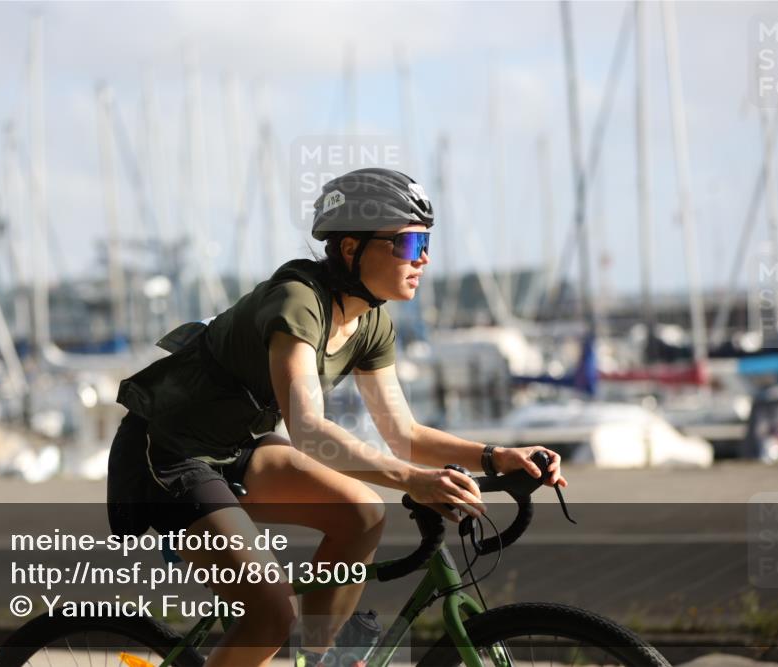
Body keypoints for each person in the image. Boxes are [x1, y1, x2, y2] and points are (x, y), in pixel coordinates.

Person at [107, 167, 567, 667]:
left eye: (426, 242)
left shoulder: (372, 322)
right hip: (169, 455)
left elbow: (405, 436)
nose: (424, 258)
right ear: (351, 249)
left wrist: (497, 457)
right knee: (271, 613)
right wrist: (417, 481)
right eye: (410, 244)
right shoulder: (298, 303)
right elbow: (307, 430)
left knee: (363, 512)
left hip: (236, 449)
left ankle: (321, 659)